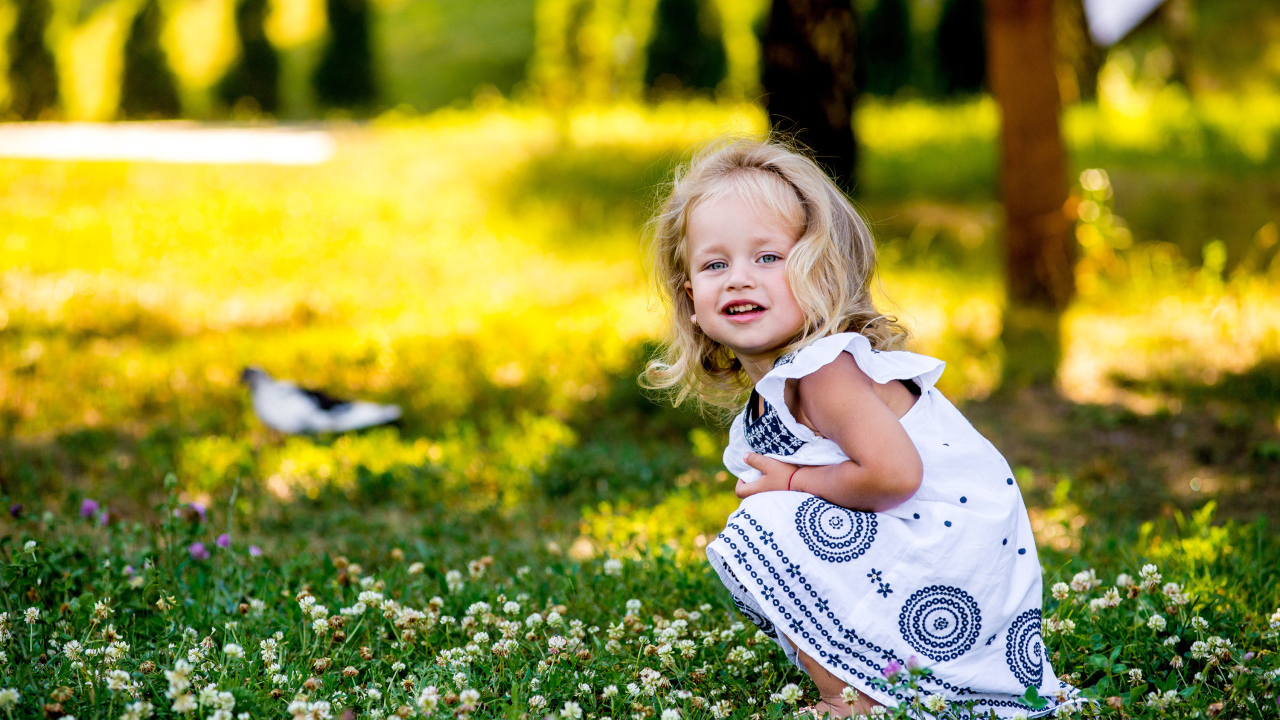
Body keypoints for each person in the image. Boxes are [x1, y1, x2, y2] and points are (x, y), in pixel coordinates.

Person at [639, 138, 1075, 718]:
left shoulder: (825, 371)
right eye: (716, 264)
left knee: (765, 523)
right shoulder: (788, 384)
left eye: (767, 258)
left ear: (817, 272)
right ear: (692, 296)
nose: (739, 279)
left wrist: (793, 482)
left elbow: (895, 474)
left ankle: (852, 698)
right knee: (771, 532)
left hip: (955, 557)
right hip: (935, 561)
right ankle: (880, 679)